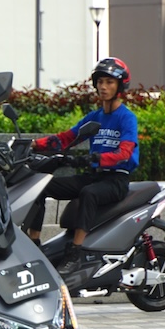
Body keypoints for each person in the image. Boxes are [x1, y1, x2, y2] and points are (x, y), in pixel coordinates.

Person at [25, 57, 138, 275]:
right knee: (40, 186)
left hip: (116, 180)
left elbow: (125, 153)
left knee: (89, 193)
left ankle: (75, 253)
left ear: (120, 86)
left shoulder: (127, 118)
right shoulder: (94, 117)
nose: (103, 87)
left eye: (109, 82)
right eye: (100, 82)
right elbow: (65, 138)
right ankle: (34, 243)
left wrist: (95, 158)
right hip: (94, 175)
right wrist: (32, 144)